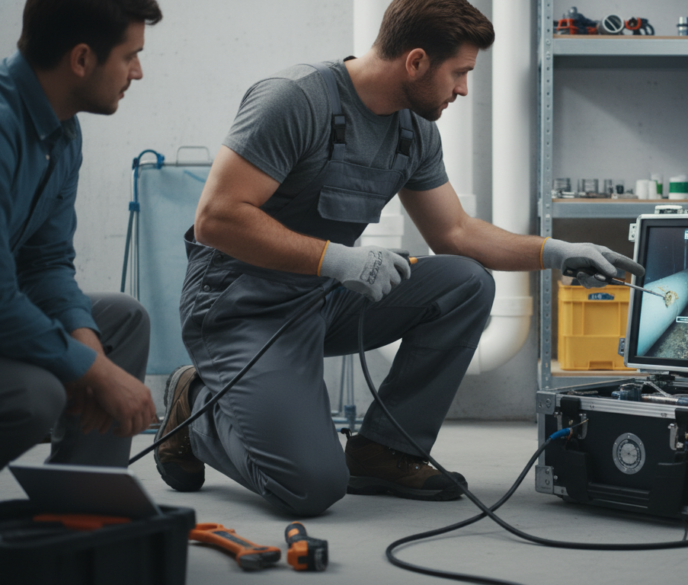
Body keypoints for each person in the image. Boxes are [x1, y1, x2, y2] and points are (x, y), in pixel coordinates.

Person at [155, 0, 642, 517]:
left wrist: (556, 252)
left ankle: (385, 450)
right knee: (310, 487)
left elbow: (455, 232)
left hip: (322, 298)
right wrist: (339, 261)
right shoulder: (296, 99)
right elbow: (217, 218)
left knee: (465, 283)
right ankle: (196, 403)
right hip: (241, 305)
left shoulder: (415, 131)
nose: (463, 89)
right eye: (459, 73)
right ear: (415, 62)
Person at [0, 0, 162, 470]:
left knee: (121, 320)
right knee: (35, 395)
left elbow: (45, 262)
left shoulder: (63, 132)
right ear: (82, 59)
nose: (138, 72)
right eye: (130, 56)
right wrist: (94, 372)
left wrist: (89, 349)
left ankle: (81, 500)